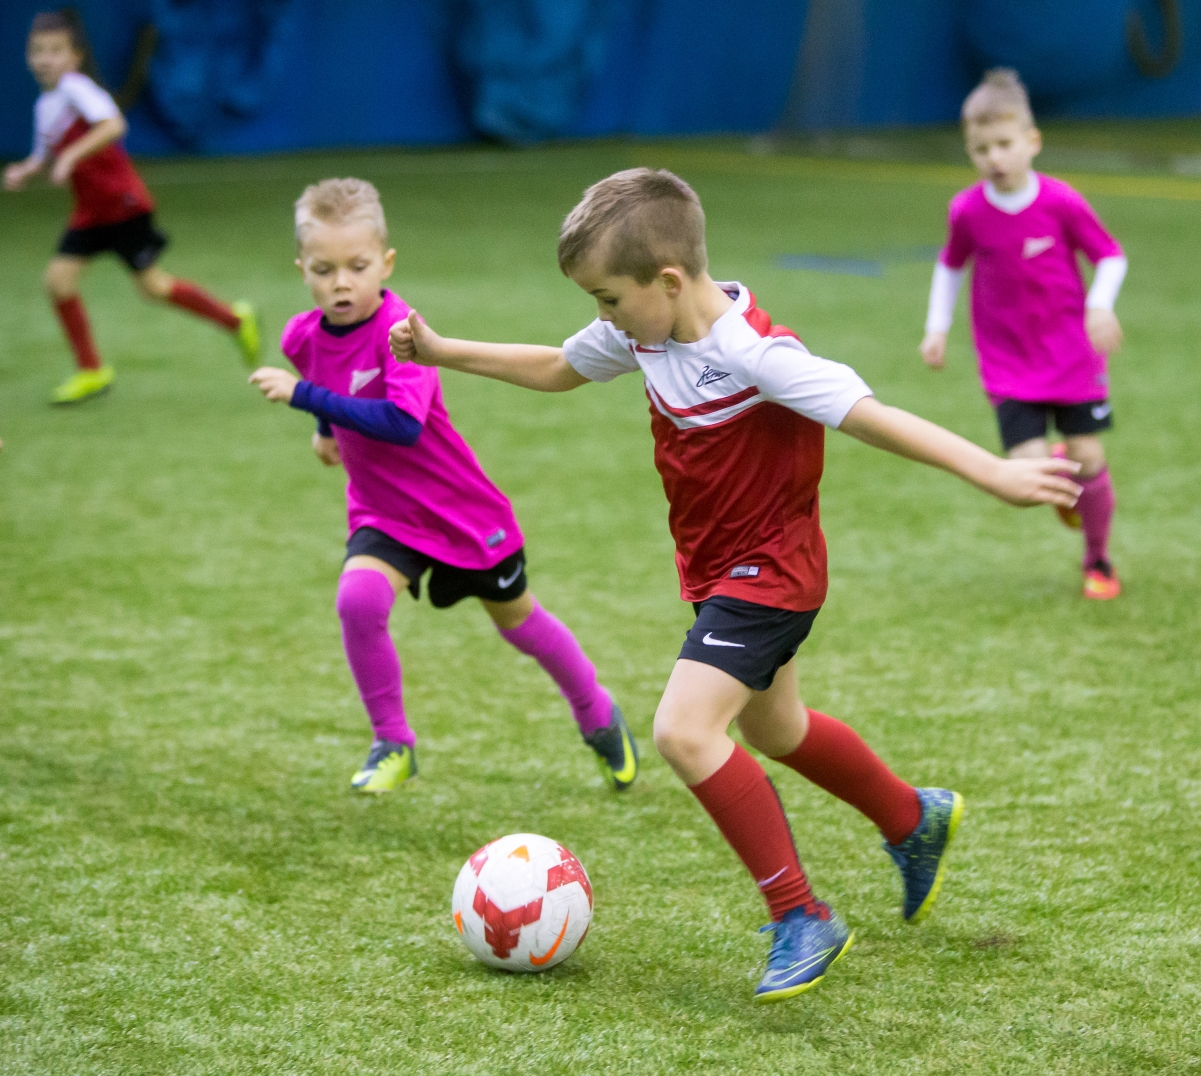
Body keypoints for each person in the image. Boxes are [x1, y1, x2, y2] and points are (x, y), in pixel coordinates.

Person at [389, 168, 1081, 1002]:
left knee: (684, 731)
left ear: (669, 280)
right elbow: (557, 366)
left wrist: (996, 472)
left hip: (772, 571)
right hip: (719, 572)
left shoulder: (757, 355)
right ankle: (911, 817)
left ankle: (801, 915)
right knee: (778, 728)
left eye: (608, 298)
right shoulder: (645, 332)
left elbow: (875, 416)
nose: (601, 317)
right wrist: (439, 351)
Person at [247, 178, 638, 793]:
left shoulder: (403, 333)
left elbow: (401, 424)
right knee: (358, 602)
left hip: (460, 512)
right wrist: (324, 426)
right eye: (324, 270)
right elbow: (320, 368)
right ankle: (393, 741)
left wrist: (307, 401)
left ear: (387, 263)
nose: (341, 282)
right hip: (382, 513)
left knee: (519, 622)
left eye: (357, 266)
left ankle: (596, 711)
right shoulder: (301, 335)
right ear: (302, 269)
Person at [920, 68, 1129, 600]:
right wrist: (936, 327)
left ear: (1032, 142)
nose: (994, 157)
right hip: (1008, 361)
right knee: (1029, 470)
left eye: (1005, 144)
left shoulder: (1061, 202)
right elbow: (950, 266)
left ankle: (1098, 559)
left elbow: (1110, 256)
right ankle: (1067, 487)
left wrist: (1099, 307)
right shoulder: (967, 210)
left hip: (1072, 355)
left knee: (1089, 457)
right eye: (981, 148)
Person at [2, 9, 258, 405]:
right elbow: (44, 153)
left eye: (55, 50)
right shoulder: (46, 105)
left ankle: (235, 320)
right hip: (90, 213)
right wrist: (26, 170)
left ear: (74, 57)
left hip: (123, 207)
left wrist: (69, 158)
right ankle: (92, 370)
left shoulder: (77, 88)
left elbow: (113, 125)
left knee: (154, 287)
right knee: (58, 282)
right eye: (38, 50)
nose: (45, 58)